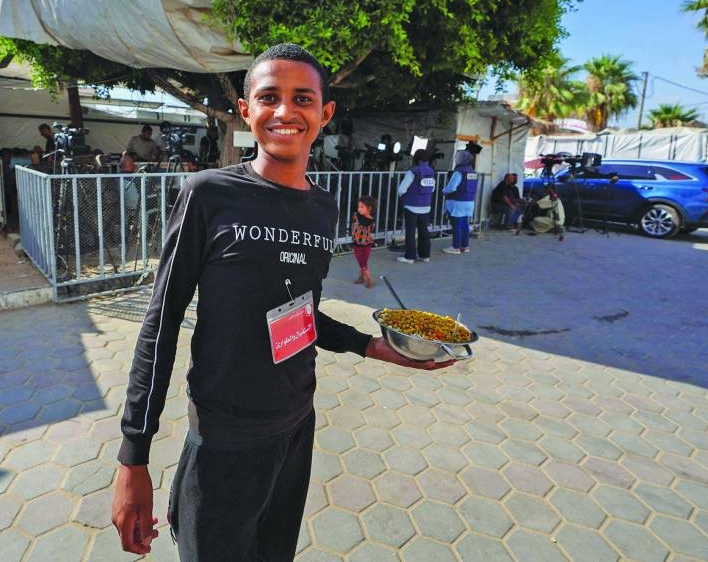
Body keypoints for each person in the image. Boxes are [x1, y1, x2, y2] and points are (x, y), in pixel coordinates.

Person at [111, 43, 454, 560]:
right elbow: (162, 324)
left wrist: (371, 346)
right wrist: (133, 456)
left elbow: (301, 312)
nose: (285, 112)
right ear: (247, 110)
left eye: (302, 98)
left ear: (324, 113)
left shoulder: (322, 208)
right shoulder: (208, 194)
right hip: (223, 442)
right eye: (268, 97)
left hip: (296, 427)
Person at [396, 149, 435, 264]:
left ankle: (410, 256)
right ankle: (425, 255)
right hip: (426, 206)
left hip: (411, 206)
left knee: (411, 232)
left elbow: (402, 189)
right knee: (424, 231)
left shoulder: (413, 172)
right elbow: (432, 188)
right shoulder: (431, 172)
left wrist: (401, 196)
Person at [442, 142, 482, 254]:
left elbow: (452, 187)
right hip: (469, 202)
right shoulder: (472, 171)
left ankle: (455, 247)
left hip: (458, 201)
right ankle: (465, 246)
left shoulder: (459, 171)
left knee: (457, 225)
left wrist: (443, 190)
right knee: (465, 224)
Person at [351, 195, 377, 288]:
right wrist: (353, 235)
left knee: (364, 262)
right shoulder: (356, 216)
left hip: (367, 244)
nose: (359, 209)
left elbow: (371, 229)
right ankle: (369, 279)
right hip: (357, 244)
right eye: (358, 206)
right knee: (362, 263)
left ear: (369, 208)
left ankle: (361, 277)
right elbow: (353, 225)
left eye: (362, 207)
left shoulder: (371, 220)